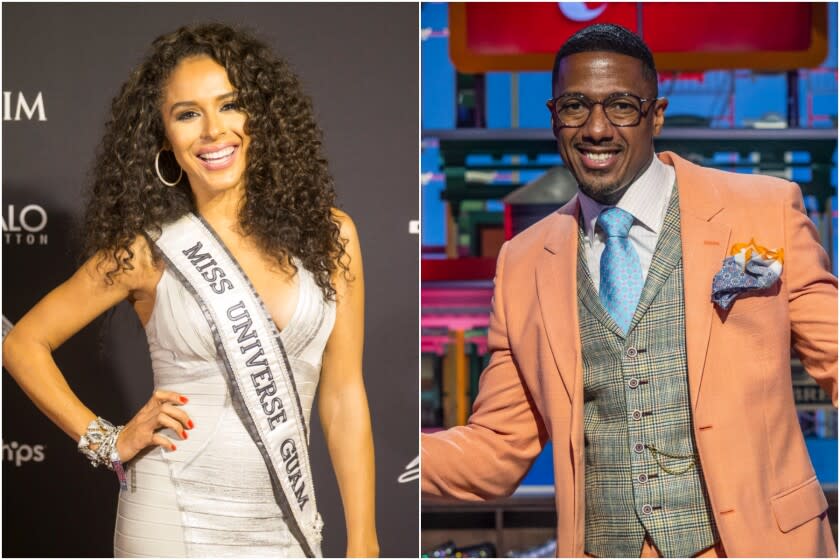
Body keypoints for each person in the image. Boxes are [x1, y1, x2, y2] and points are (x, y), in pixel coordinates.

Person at [421, 23, 837, 558]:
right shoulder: (523, 262)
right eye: (575, 107)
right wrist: (378, 454)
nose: (596, 128)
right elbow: (498, 446)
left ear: (656, 114)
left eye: (621, 106)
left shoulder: (765, 210)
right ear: (553, 118)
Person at [3, 23, 378, 558]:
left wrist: (363, 537)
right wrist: (107, 441)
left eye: (229, 105)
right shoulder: (147, 251)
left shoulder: (330, 234)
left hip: (285, 520)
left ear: (260, 117)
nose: (212, 131)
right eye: (187, 114)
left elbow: (343, 396)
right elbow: (21, 344)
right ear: (164, 138)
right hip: (171, 516)